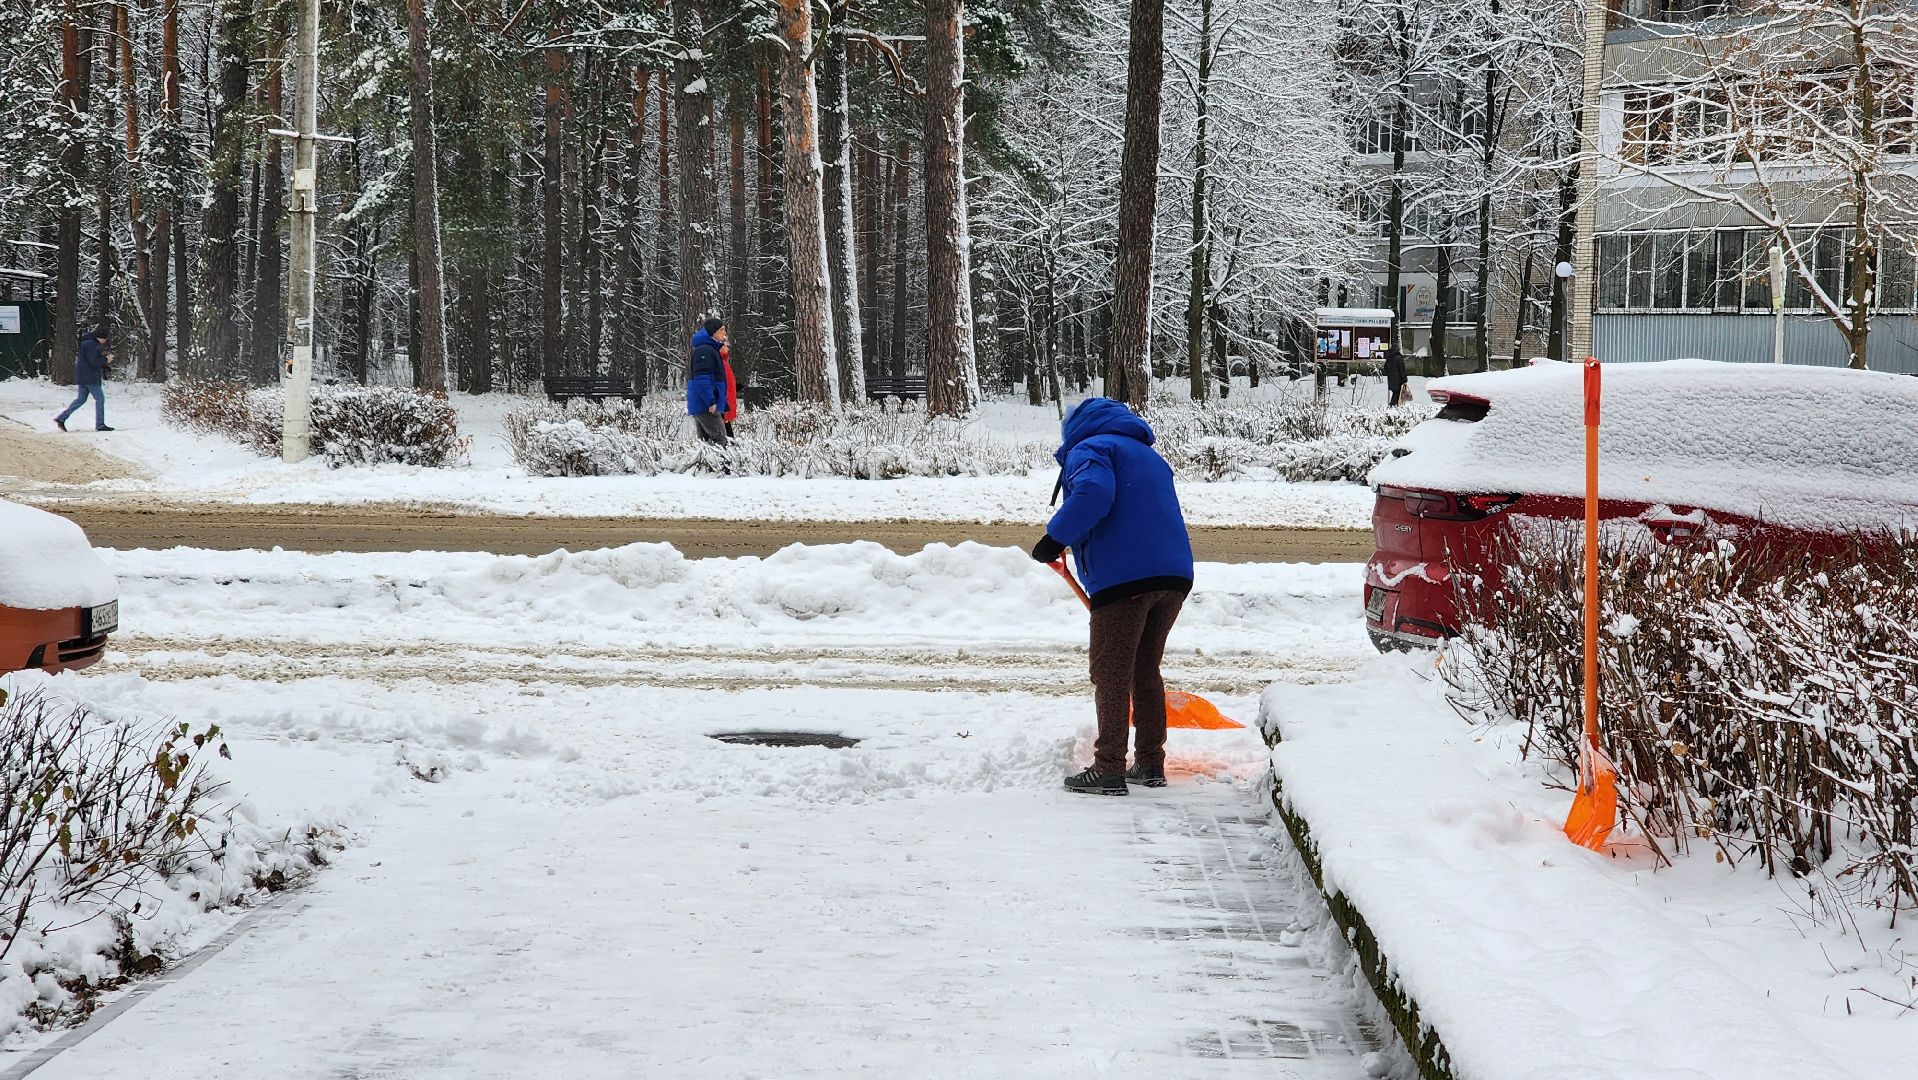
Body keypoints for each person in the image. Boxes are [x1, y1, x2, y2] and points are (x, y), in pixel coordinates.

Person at [1030, 397, 1195, 796]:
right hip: (1173, 575)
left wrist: (1054, 538)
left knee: (1111, 672)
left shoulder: (1091, 448)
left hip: (1125, 578)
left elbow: (1093, 495)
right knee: (1144, 670)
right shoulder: (1148, 455)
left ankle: (1108, 768)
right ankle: (1151, 763)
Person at [56, 327, 114, 432]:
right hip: (90, 377)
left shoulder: (87, 343)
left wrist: (103, 364)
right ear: (100, 337)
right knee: (100, 399)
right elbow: (94, 361)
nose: (105, 341)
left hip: (82, 376)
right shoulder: (91, 345)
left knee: (81, 400)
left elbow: (90, 360)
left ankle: (61, 418)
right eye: (104, 339)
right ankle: (100, 425)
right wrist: (106, 359)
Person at [686, 317, 730, 446]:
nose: (724, 333)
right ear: (713, 332)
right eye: (721, 330)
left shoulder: (708, 349)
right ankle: (721, 466)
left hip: (704, 404)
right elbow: (702, 378)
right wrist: (710, 400)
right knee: (721, 441)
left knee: (706, 443)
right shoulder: (705, 350)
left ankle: (706, 466)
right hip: (706, 405)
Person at [720, 338, 739, 439]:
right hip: (722, 406)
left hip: (725, 405)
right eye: (726, 346)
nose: (728, 348)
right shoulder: (719, 362)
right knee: (725, 437)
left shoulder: (724, 362)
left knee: (727, 436)